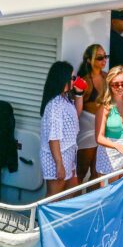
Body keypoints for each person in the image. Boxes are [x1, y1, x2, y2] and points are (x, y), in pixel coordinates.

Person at [39, 61, 84, 197]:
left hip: (68, 154)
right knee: (54, 197)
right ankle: (42, 219)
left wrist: (79, 94)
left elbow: (76, 114)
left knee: (71, 193)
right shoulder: (55, 105)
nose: (75, 81)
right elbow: (54, 137)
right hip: (57, 157)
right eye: (72, 78)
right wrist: (59, 164)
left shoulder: (64, 99)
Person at [76, 44, 109, 182]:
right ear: (89, 60)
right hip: (87, 130)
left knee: (97, 172)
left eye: (105, 57)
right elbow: (76, 108)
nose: (104, 60)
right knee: (81, 171)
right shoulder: (84, 81)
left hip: (102, 128)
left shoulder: (106, 77)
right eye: (100, 57)